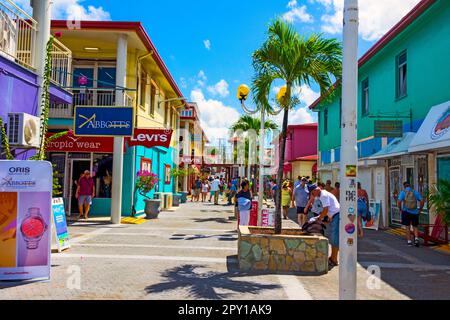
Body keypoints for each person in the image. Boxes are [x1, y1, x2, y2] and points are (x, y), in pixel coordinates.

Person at [308, 184, 341, 269]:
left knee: (334, 238)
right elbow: (328, 209)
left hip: (336, 215)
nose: (313, 196)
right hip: (334, 215)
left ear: (315, 191)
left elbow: (325, 209)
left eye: (312, 193)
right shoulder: (322, 194)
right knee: (333, 238)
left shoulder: (323, 195)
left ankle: (334, 260)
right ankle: (333, 257)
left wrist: (319, 218)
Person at [397, 182, 425, 247]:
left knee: (407, 226)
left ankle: (409, 241)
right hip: (415, 212)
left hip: (406, 211)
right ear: (410, 186)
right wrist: (420, 209)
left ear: (404, 186)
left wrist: (400, 209)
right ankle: (416, 239)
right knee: (415, 226)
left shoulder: (403, 192)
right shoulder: (415, 192)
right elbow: (422, 201)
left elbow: (399, 202)